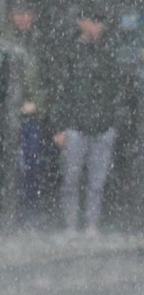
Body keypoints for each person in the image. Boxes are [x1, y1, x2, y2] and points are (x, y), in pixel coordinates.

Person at [50, 3, 120, 237]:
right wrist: (59, 127)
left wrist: (113, 123)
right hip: (76, 127)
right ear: (82, 23)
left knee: (96, 183)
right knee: (71, 179)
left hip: (102, 127)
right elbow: (60, 92)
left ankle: (91, 225)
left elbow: (117, 90)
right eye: (92, 21)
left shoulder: (109, 52)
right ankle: (71, 225)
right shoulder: (70, 53)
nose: (96, 27)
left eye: (99, 22)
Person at [1, 0, 48, 229]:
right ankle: (10, 216)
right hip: (8, 117)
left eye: (28, 13)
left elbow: (48, 81)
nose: (24, 18)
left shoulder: (40, 42)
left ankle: (29, 215)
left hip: (32, 118)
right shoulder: (1, 41)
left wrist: (37, 104)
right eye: (19, 12)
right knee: (12, 169)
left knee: (31, 168)